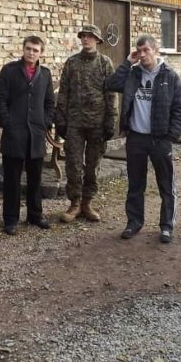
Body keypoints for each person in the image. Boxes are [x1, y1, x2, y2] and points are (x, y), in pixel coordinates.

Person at [105, 35, 181, 243]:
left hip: (160, 139)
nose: (142, 55)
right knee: (135, 184)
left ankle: (166, 226)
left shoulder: (170, 76)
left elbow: (180, 107)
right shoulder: (133, 74)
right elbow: (111, 84)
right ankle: (134, 222)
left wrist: (171, 136)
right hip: (136, 137)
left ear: (156, 50)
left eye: (146, 50)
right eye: (139, 50)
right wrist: (127, 63)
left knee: (166, 184)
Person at [54, 24, 117, 223]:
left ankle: (87, 203)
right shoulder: (72, 63)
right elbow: (63, 92)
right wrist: (60, 119)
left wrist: (111, 120)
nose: (86, 39)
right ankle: (74, 203)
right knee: (73, 164)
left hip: (97, 124)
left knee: (93, 165)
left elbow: (111, 93)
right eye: (83, 36)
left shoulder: (105, 63)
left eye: (90, 36)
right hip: (75, 123)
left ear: (97, 40)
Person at [0, 35, 55, 235]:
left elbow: (49, 103)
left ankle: (35, 215)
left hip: (36, 135)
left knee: (35, 179)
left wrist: (45, 122)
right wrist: (7, 122)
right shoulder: (9, 71)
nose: (31, 53)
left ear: (41, 53)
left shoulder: (45, 74)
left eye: (35, 50)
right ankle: (10, 219)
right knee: (12, 180)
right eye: (28, 48)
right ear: (23, 49)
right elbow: (0, 100)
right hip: (14, 135)